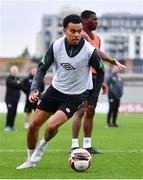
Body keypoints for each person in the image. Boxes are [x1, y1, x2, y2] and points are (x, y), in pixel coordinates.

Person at [16, 14, 105, 170]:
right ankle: (30, 159)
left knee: (51, 126)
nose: (76, 34)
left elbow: (101, 71)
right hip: (55, 90)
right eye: (73, 31)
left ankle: (42, 145)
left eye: (79, 31)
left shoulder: (89, 51)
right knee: (33, 126)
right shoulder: (56, 46)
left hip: (75, 96)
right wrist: (34, 88)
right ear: (65, 30)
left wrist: (94, 97)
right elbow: (42, 68)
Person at [71, 10, 125, 154]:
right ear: (84, 20)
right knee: (80, 110)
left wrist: (102, 82)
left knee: (91, 110)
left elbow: (97, 60)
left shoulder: (98, 37)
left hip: (95, 78)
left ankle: (87, 145)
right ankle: (75, 146)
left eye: (97, 20)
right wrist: (112, 60)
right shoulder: (81, 36)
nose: (96, 22)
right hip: (83, 77)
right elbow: (95, 51)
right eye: (93, 20)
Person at [22, 64, 45, 129]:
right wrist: (29, 93)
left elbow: (42, 88)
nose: (34, 71)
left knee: (37, 112)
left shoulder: (39, 79)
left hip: (37, 98)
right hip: (28, 98)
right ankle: (26, 124)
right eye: (33, 69)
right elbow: (22, 87)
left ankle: (34, 124)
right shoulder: (26, 79)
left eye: (36, 70)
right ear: (30, 70)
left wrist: (38, 94)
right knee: (27, 112)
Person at [4, 65, 22, 131]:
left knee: (14, 112)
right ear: (11, 71)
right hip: (9, 99)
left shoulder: (18, 78)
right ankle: (7, 126)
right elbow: (14, 84)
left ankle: (11, 126)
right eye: (13, 70)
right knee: (10, 112)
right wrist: (18, 84)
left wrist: (18, 83)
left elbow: (20, 85)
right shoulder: (9, 78)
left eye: (16, 70)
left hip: (16, 99)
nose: (15, 72)